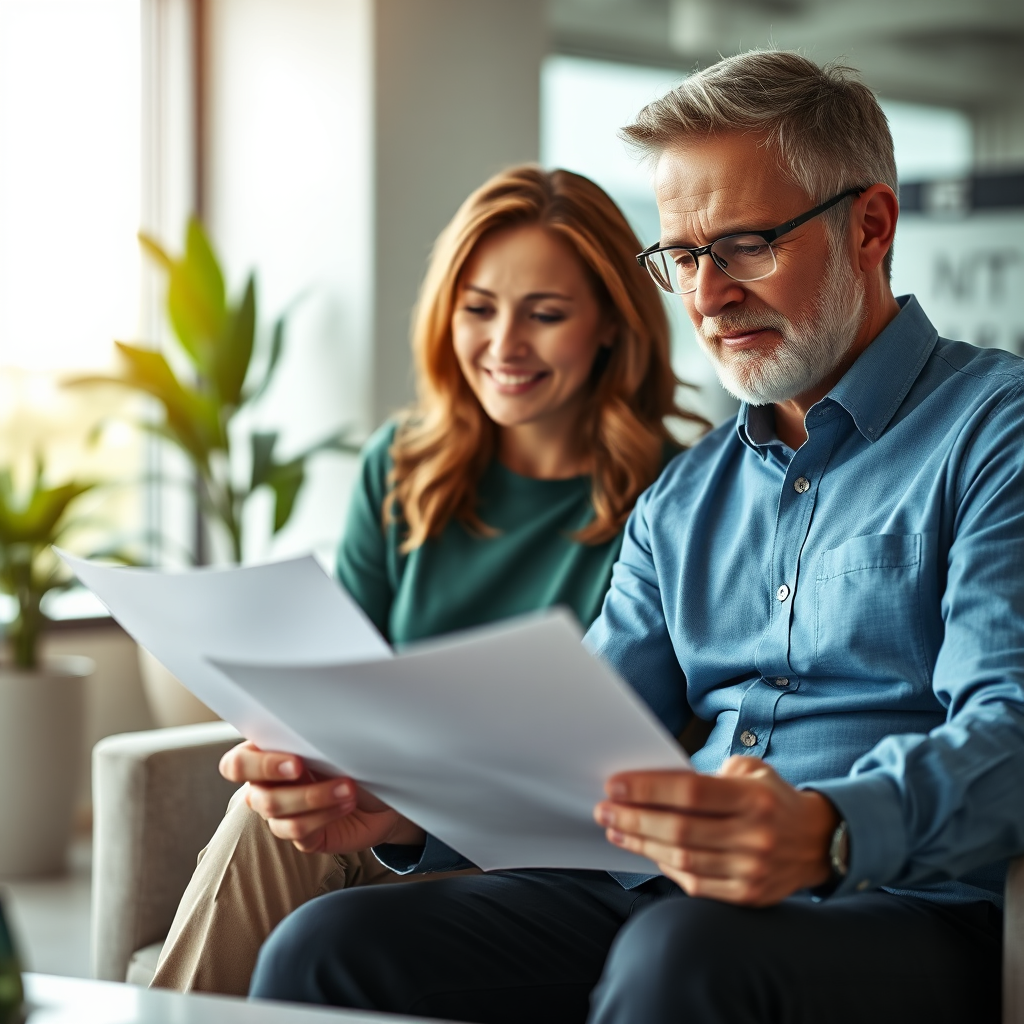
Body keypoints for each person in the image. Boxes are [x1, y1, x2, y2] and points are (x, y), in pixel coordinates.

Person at [246, 51, 1024, 1024]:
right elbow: (582, 747)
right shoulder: (686, 495)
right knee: (329, 944)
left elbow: (1010, 727)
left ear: (870, 226)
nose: (705, 296)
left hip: (898, 903)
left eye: (744, 245)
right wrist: (406, 807)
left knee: (678, 955)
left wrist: (827, 828)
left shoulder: (996, 432)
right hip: (670, 894)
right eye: (683, 257)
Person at [150, 164, 703, 994]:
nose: (504, 345)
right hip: (395, 828)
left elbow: (660, 740)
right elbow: (346, 686)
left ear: (612, 328)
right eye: (478, 309)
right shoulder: (404, 466)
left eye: (545, 315)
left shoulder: (681, 493)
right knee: (263, 817)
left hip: (550, 859)